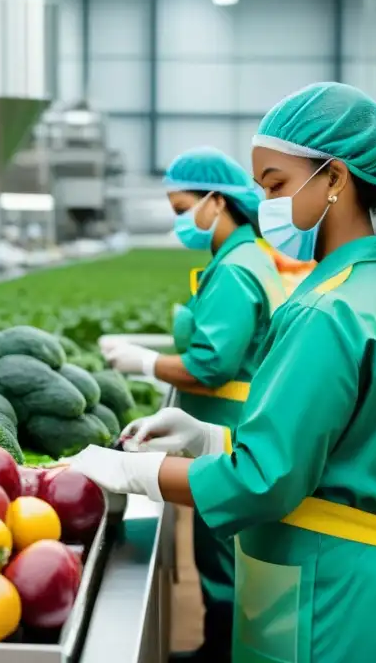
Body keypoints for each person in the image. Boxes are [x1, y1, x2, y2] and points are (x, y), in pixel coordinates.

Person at [68, 83, 376, 663]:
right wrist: (212, 439)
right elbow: (357, 447)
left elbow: (263, 483)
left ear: (336, 179)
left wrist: (131, 471)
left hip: (331, 603)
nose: (265, 204)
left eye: (276, 184)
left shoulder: (327, 310)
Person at [99, 146, 287, 662]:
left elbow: (211, 366)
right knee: (226, 550)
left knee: (224, 552)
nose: (181, 221)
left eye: (184, 209)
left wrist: (142, 362)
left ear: (217, 202)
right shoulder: (244, 257)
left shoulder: (235, 270)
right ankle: (218, 648)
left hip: (228, 420)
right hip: (231, 419)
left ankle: (220, 655)